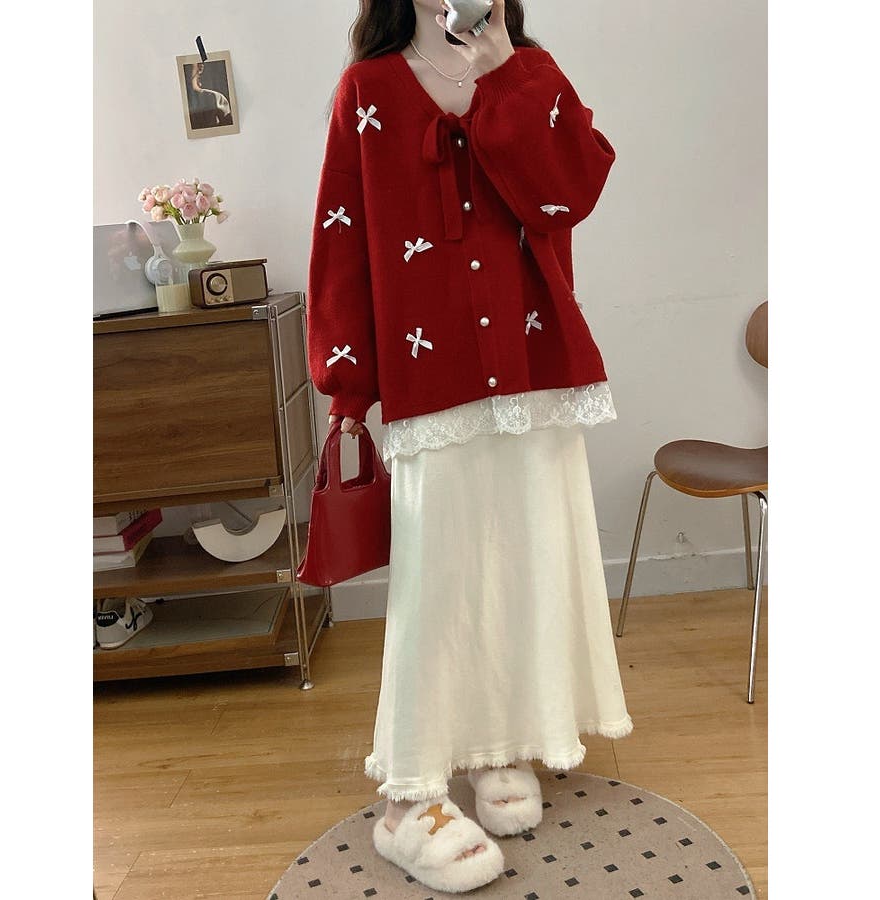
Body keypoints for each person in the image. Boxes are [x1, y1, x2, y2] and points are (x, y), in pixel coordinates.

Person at [306, 0, 633, 892]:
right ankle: (407, 796)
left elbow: (570, 193)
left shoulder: (530, 69)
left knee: (528, 559)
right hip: (431, 373)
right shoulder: (367, 91)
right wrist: (347, 382)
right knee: (439, 578)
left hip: (535, 362)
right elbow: (342, 236)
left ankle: (502, 746)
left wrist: (504, 73)